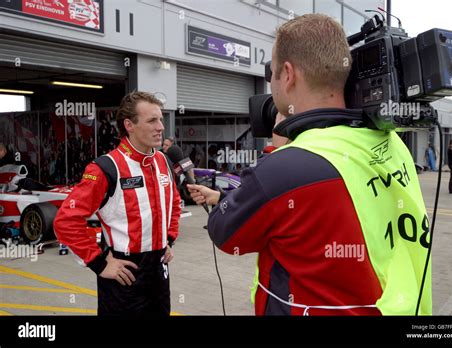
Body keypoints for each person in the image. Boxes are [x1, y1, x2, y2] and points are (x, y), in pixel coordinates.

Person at [188, 14, 431, 316]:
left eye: (273, 73)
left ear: (288, 75)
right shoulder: (390, 143)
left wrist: (279, 153)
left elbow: (224, 232)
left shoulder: (286, 167)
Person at [54, 91, 182, 316]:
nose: (161, 126)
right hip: (124, 274)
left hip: (159, 272)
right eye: (152, 120)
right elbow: (66, 221)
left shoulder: (163, 160)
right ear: (129, 125)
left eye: (161, 119)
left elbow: (174, 202)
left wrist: (169, 238)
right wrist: (99, 263)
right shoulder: (106, 167)